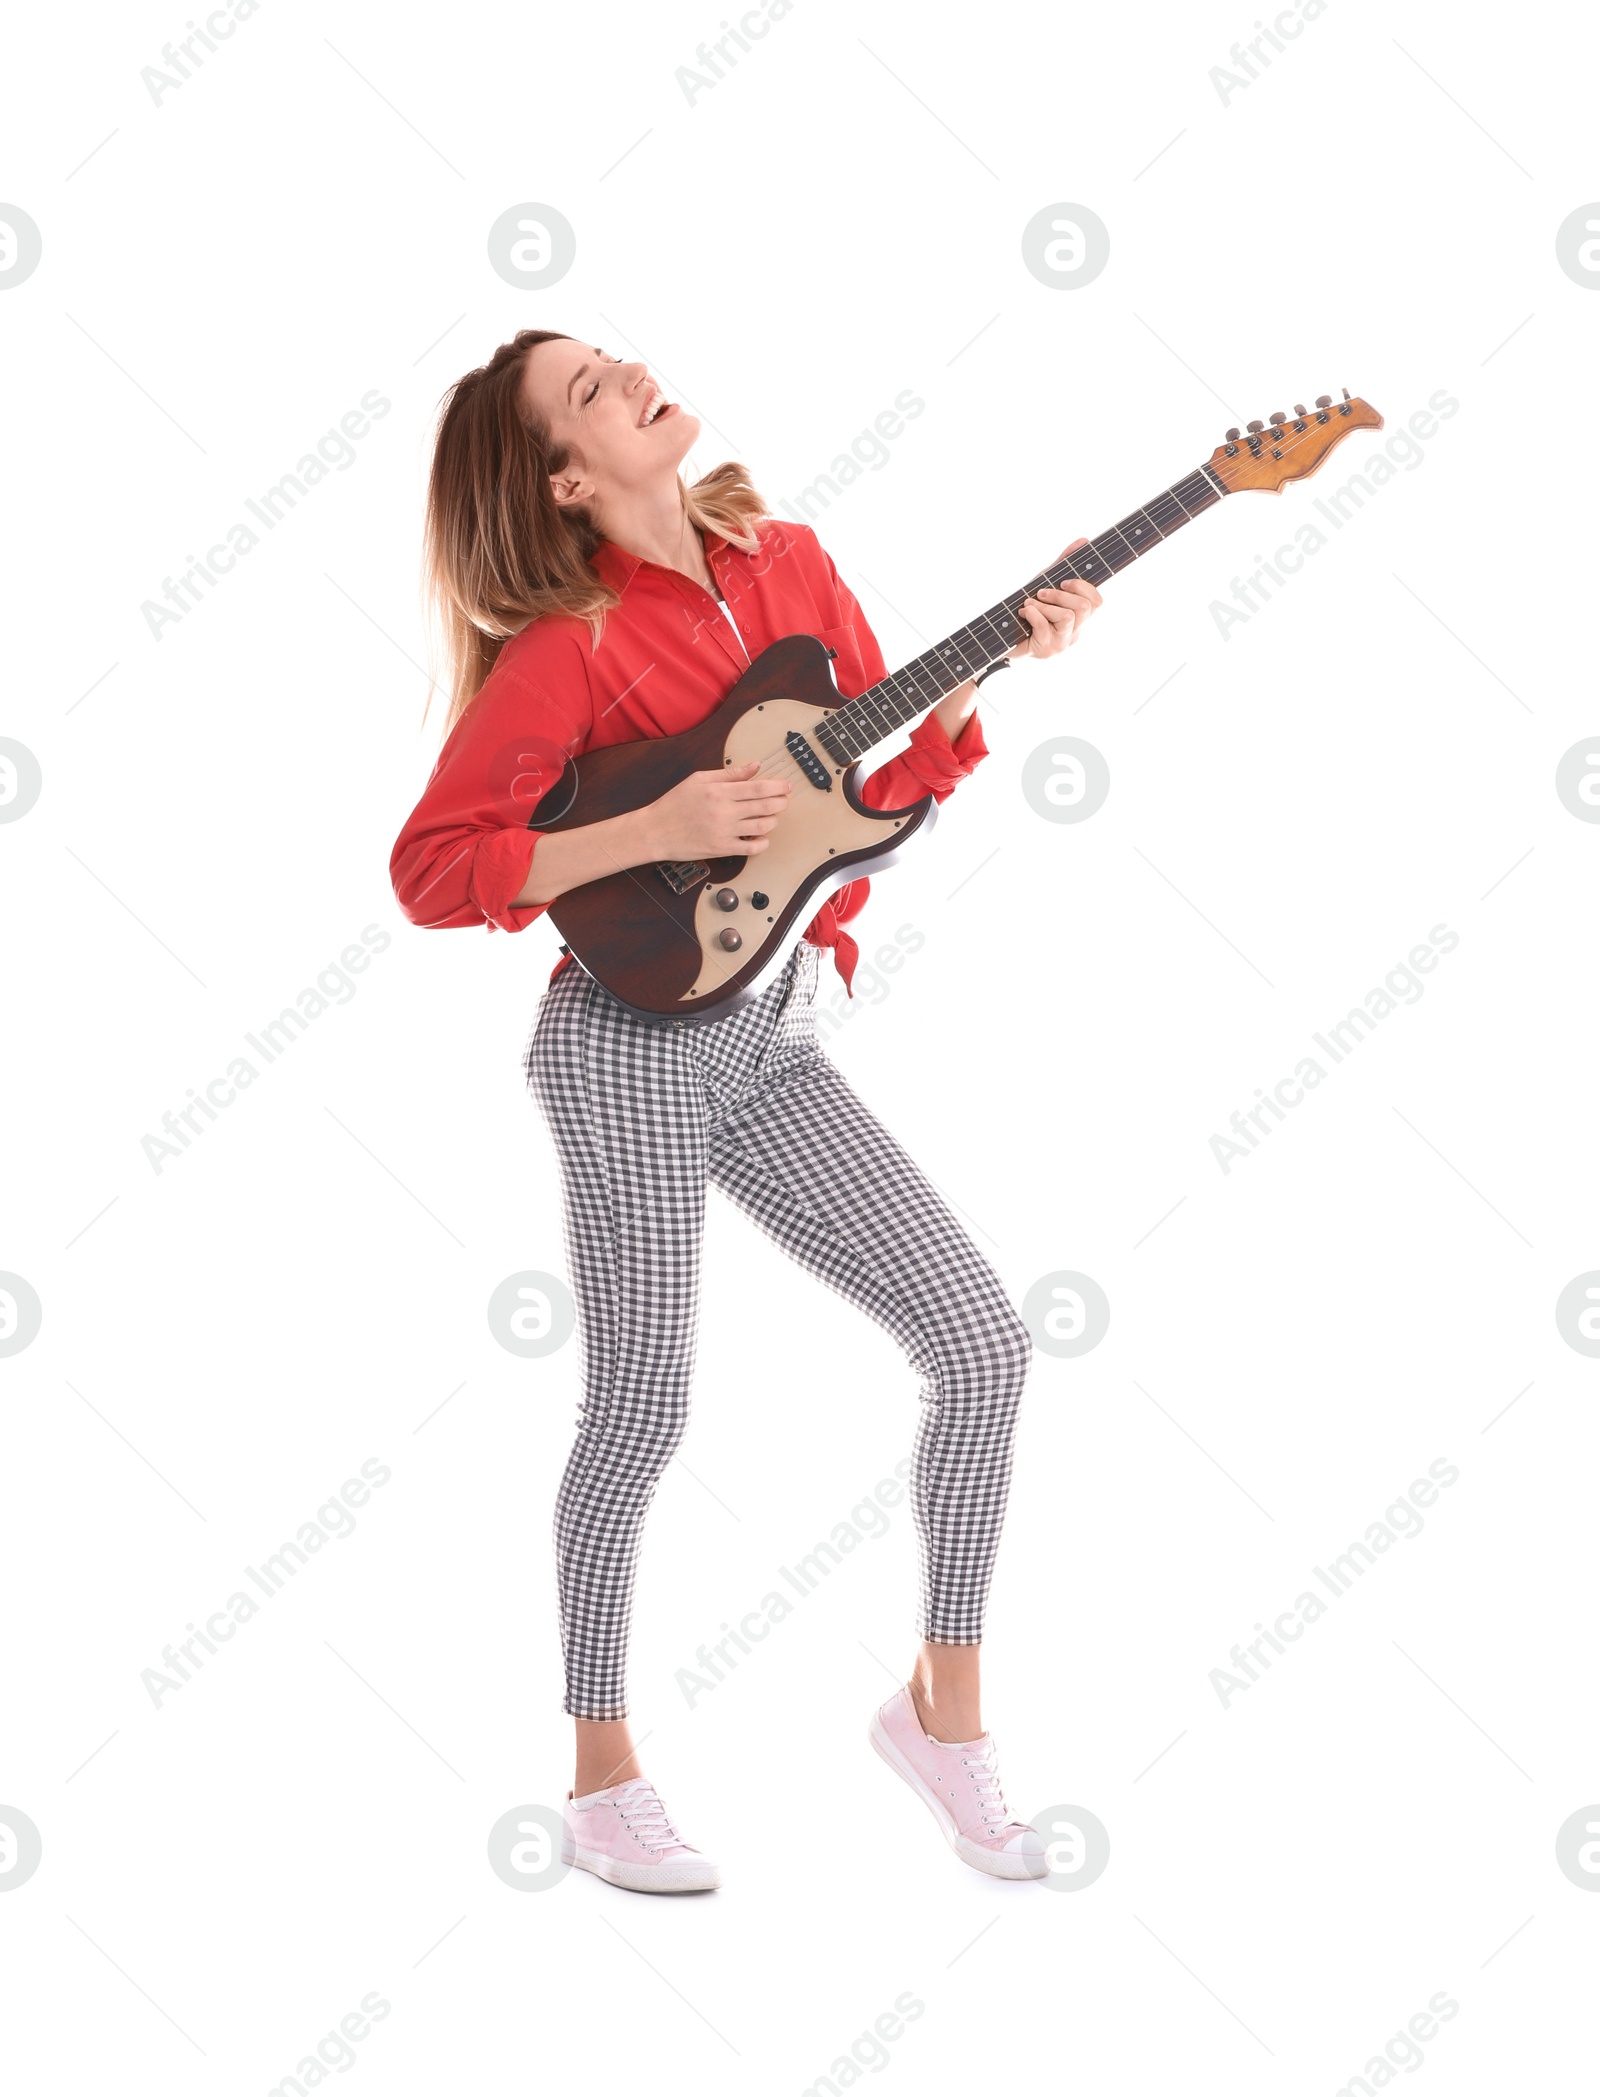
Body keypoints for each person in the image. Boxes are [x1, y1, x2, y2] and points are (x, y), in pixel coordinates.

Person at [389, 329, 1103, 1892]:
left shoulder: (788, 560)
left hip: (770, 1031)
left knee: (983, 1341)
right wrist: (654, 819)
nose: (630, 369)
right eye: (588, 389)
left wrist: (996, 655)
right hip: (624, 1050)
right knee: (645, 1403)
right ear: (567, 479)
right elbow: (437, 866)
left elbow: (880, 793)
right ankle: (599, 1778)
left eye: (613, 353)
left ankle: (942, 1716)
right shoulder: (563, 648)